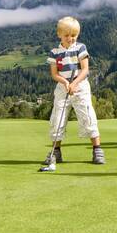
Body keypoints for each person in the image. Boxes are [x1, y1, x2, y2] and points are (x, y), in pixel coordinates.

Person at [43, 16, 105, 165]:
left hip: (80, 87)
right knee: (57, 119)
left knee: (87, 116)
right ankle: (56, 153)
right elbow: (54, 74)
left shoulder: (80, 48)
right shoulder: (54, 52)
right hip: (62, 88)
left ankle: (97, 150)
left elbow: (85, 70)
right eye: (67, 35)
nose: (70, 38)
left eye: (74, 35)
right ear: (59, 34)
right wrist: (65, 82)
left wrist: (75, 83)